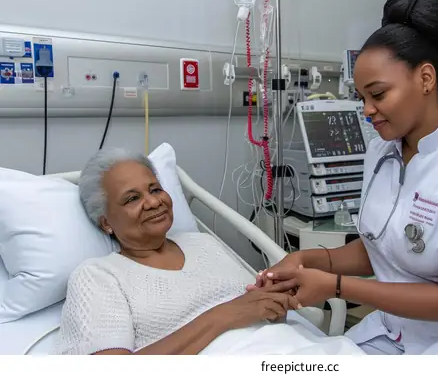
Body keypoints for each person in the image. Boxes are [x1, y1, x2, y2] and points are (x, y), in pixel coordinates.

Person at [248, 0, 438, 355]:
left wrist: (335, 285)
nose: (367, 110)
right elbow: (383, 246)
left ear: (426, 79)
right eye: (362, 97)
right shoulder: (381, 150)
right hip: (403, 331)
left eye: (378, 94)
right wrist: (307, 261)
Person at [55, 148, 302, 355]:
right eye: (132, 199)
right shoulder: (98, 276)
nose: (153, 202)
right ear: (106, 222)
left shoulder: (204, 244)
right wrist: (224, 315)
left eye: (155, 189)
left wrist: (274, 296)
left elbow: (254, 307)